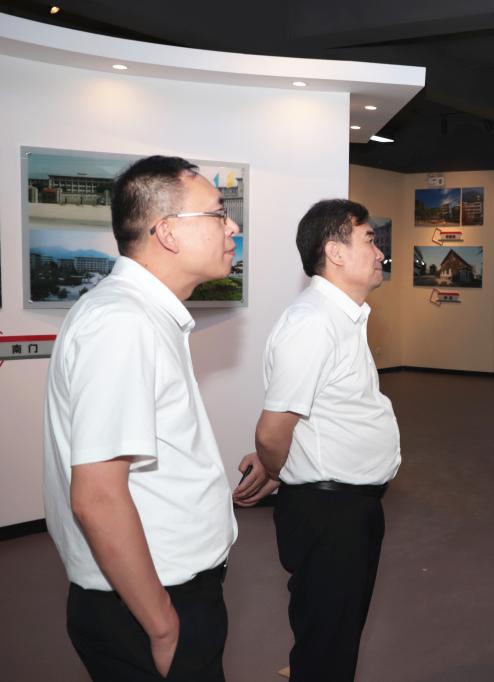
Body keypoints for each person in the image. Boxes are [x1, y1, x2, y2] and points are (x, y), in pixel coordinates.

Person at [43, 155, 275, 682]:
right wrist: (164, 626)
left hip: (161, 590)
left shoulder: (140, 315)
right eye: (218, 214)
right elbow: (97, 498)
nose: (233, 228)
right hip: (149, 603)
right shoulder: (122, 323)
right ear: (167, 232)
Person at [255, 199, 399, 682]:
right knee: (327, 647)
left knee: (335, 640)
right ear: (335, 252)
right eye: (370, 240)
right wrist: (279, 470)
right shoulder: (313, 322)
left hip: (349, 507)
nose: (380, 252)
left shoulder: (342, 317)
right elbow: (272, 430)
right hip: (329, 512)